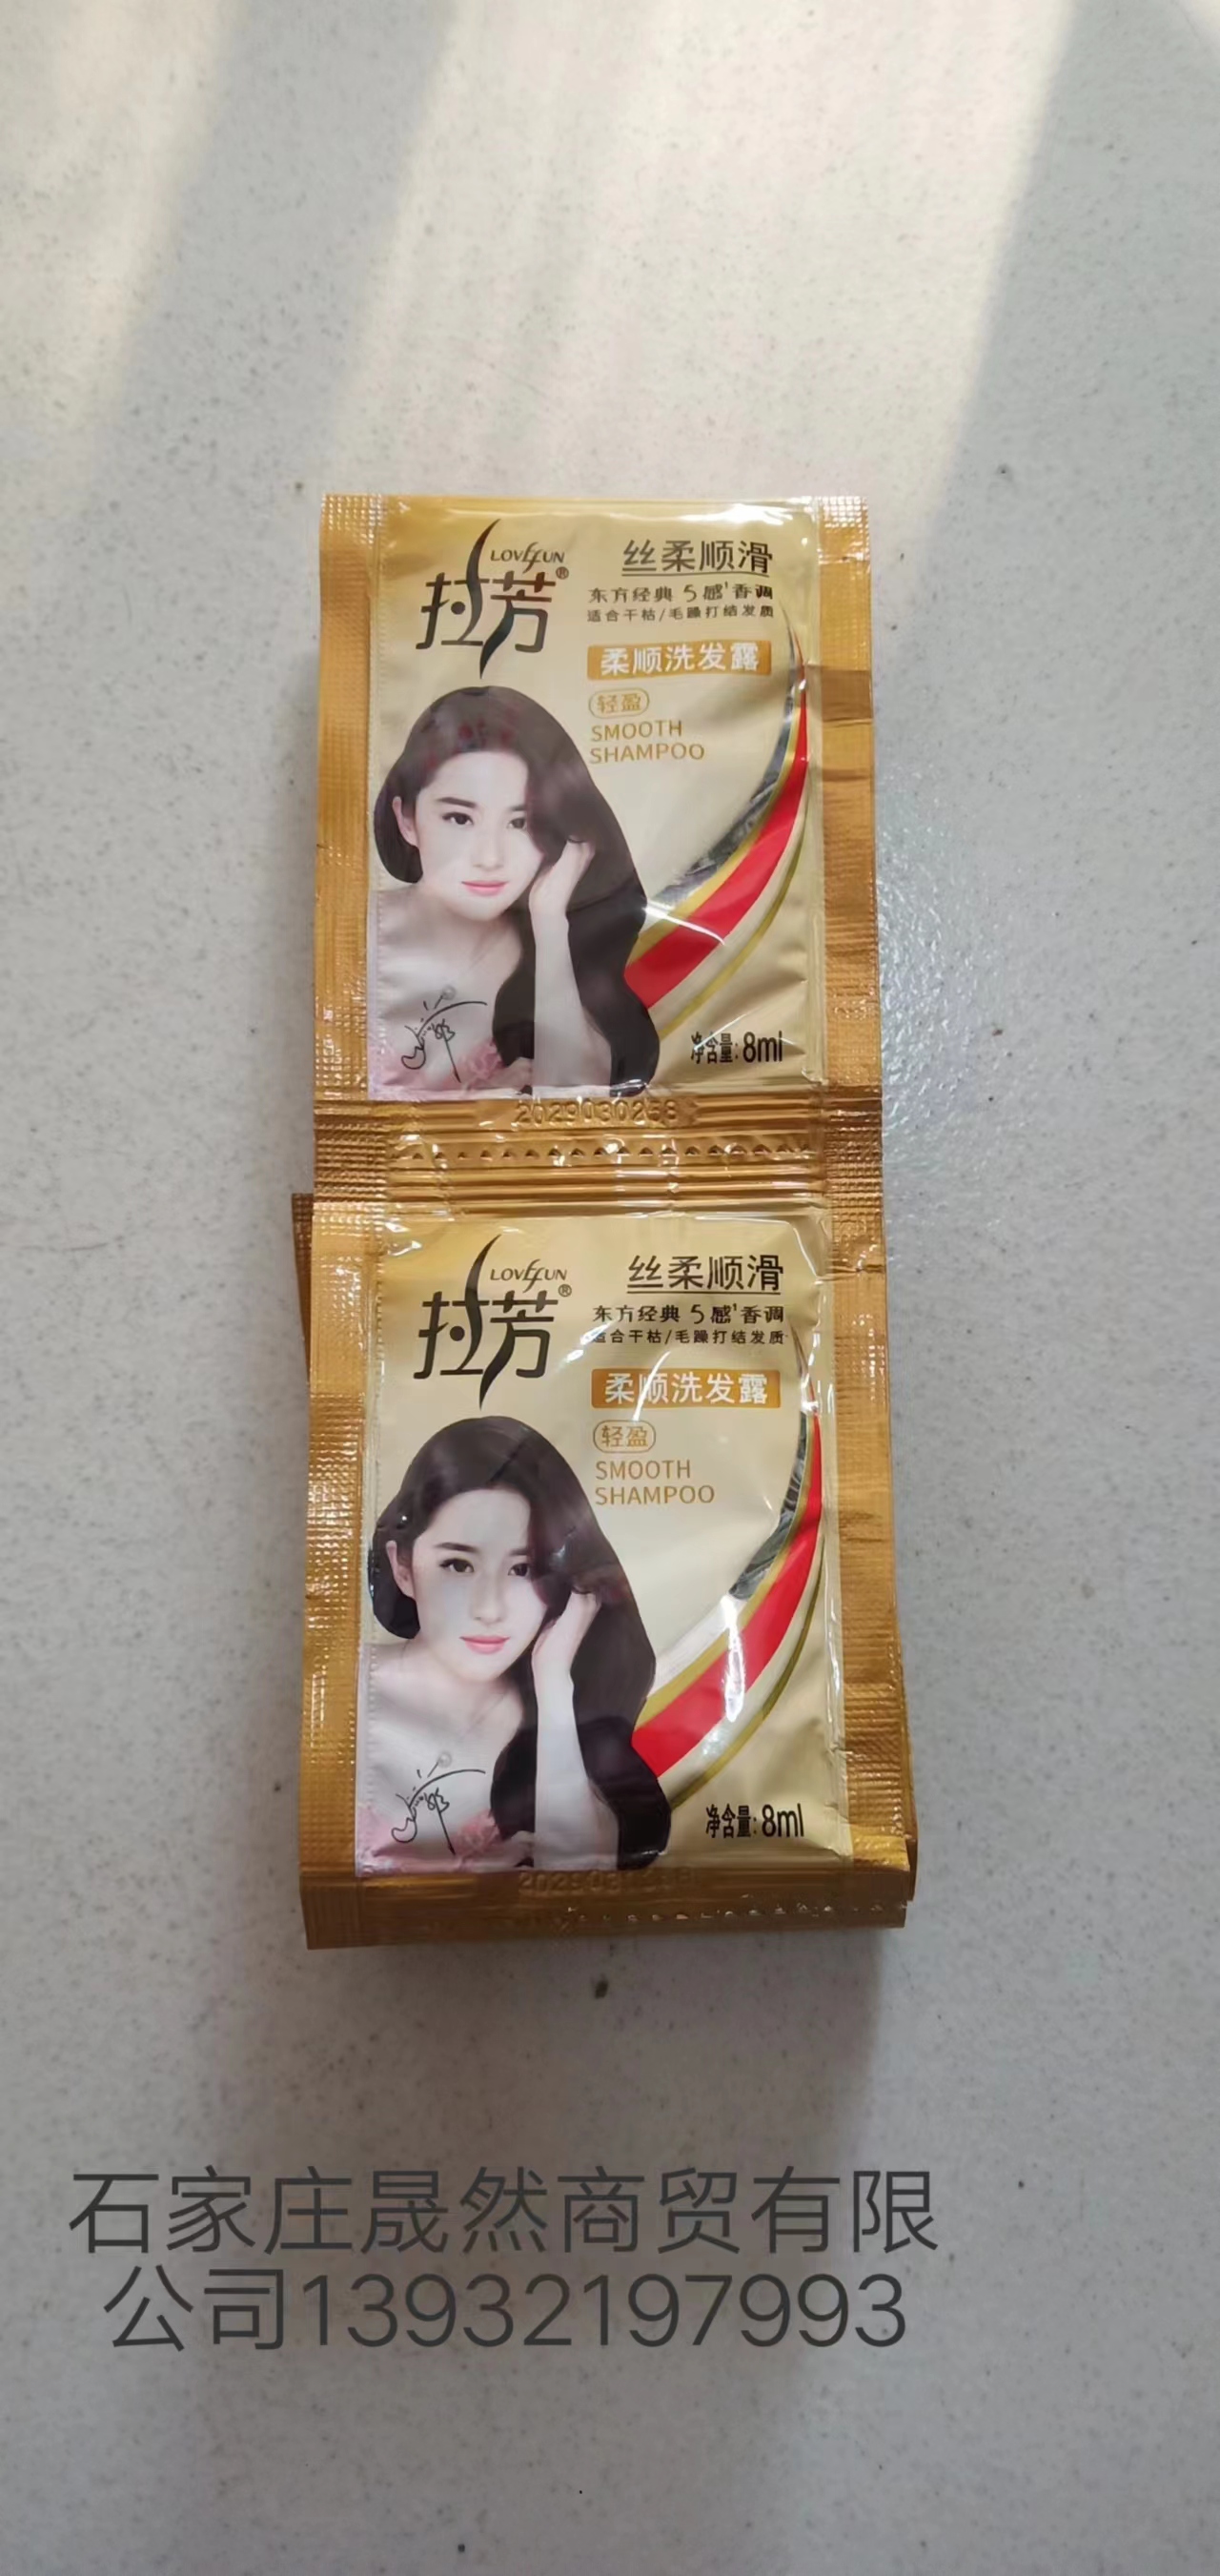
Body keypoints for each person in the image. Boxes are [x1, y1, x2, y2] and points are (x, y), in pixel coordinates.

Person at [356, 1417, 670, 1873]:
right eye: (458, 1565)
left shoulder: (565, 1730)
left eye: (522, 1570)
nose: (490, 1608)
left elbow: (576, 1880)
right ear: (402, 1567)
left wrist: (554, 1686)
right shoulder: (341, 1692)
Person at [370, 685, 659, 1094]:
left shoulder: (553, 958)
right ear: (407, 821)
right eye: (459, 818)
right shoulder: (353, 937)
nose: (490, 858)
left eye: (520, 823)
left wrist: (550, 925)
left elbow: (573, 1100)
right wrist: (470, 1106)